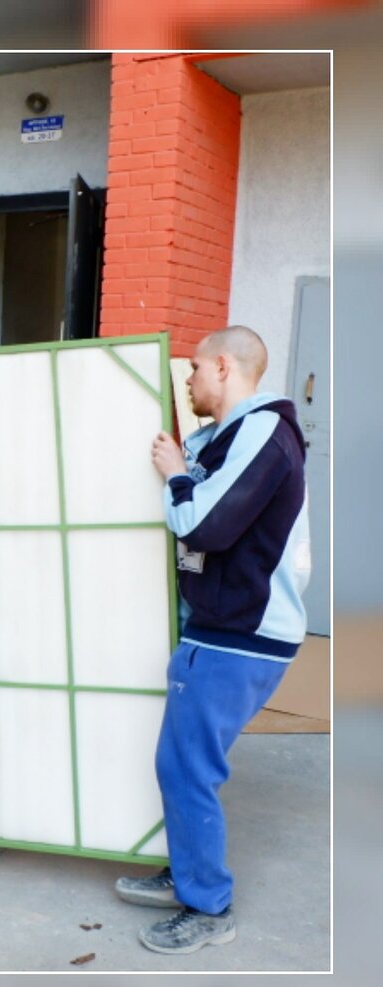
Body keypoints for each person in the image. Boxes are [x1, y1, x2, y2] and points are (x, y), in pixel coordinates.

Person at [115, 325, 311, 954]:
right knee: (182, 764)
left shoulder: (264, 431)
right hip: (222, 626)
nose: (189, 380)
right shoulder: (231, 435)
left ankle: (208, 907)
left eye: (196, 368)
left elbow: (203, 526)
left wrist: (177, 474)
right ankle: (189, 872)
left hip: (240, 633)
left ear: (224, 367)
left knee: (186, 767)